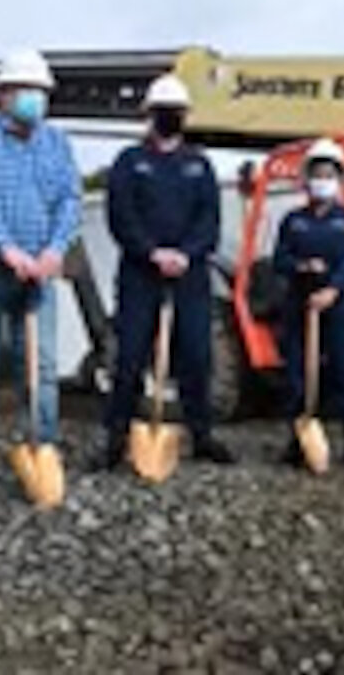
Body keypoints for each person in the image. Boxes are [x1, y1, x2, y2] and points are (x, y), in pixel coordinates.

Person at [0, 49, 82, 487]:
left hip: (37, 271)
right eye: (25, 90)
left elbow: (69, 199)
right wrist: (5, 246)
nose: (34, 98)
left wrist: (54, 249)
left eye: (40, 91)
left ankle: (40, 442)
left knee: (41, 366)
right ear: (2, 94)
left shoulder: (57, 143)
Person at [102, 74, 237, 470]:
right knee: (130, 357)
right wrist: (151, 252)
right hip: (140, 275)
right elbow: (121, 216)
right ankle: (115, 438)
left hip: (190, 275)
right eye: (164, 112)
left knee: (196, 355)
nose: (170, 118)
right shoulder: (130, 162)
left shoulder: (199, 164)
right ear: (149, 115)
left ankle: (202, 435)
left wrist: (186, 254)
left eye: (176, 112)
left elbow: (209, 221)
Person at [273, 138, 344, 470]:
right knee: (298, 374)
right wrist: (302, 267)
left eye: (329, 174)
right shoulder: (293, 221)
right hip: (298, 303)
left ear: (339, 179)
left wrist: (332, 290)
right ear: (306, 178)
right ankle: (297, 441)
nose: (322, 180)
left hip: (339, 305)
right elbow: (279, 259)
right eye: (317, 173)